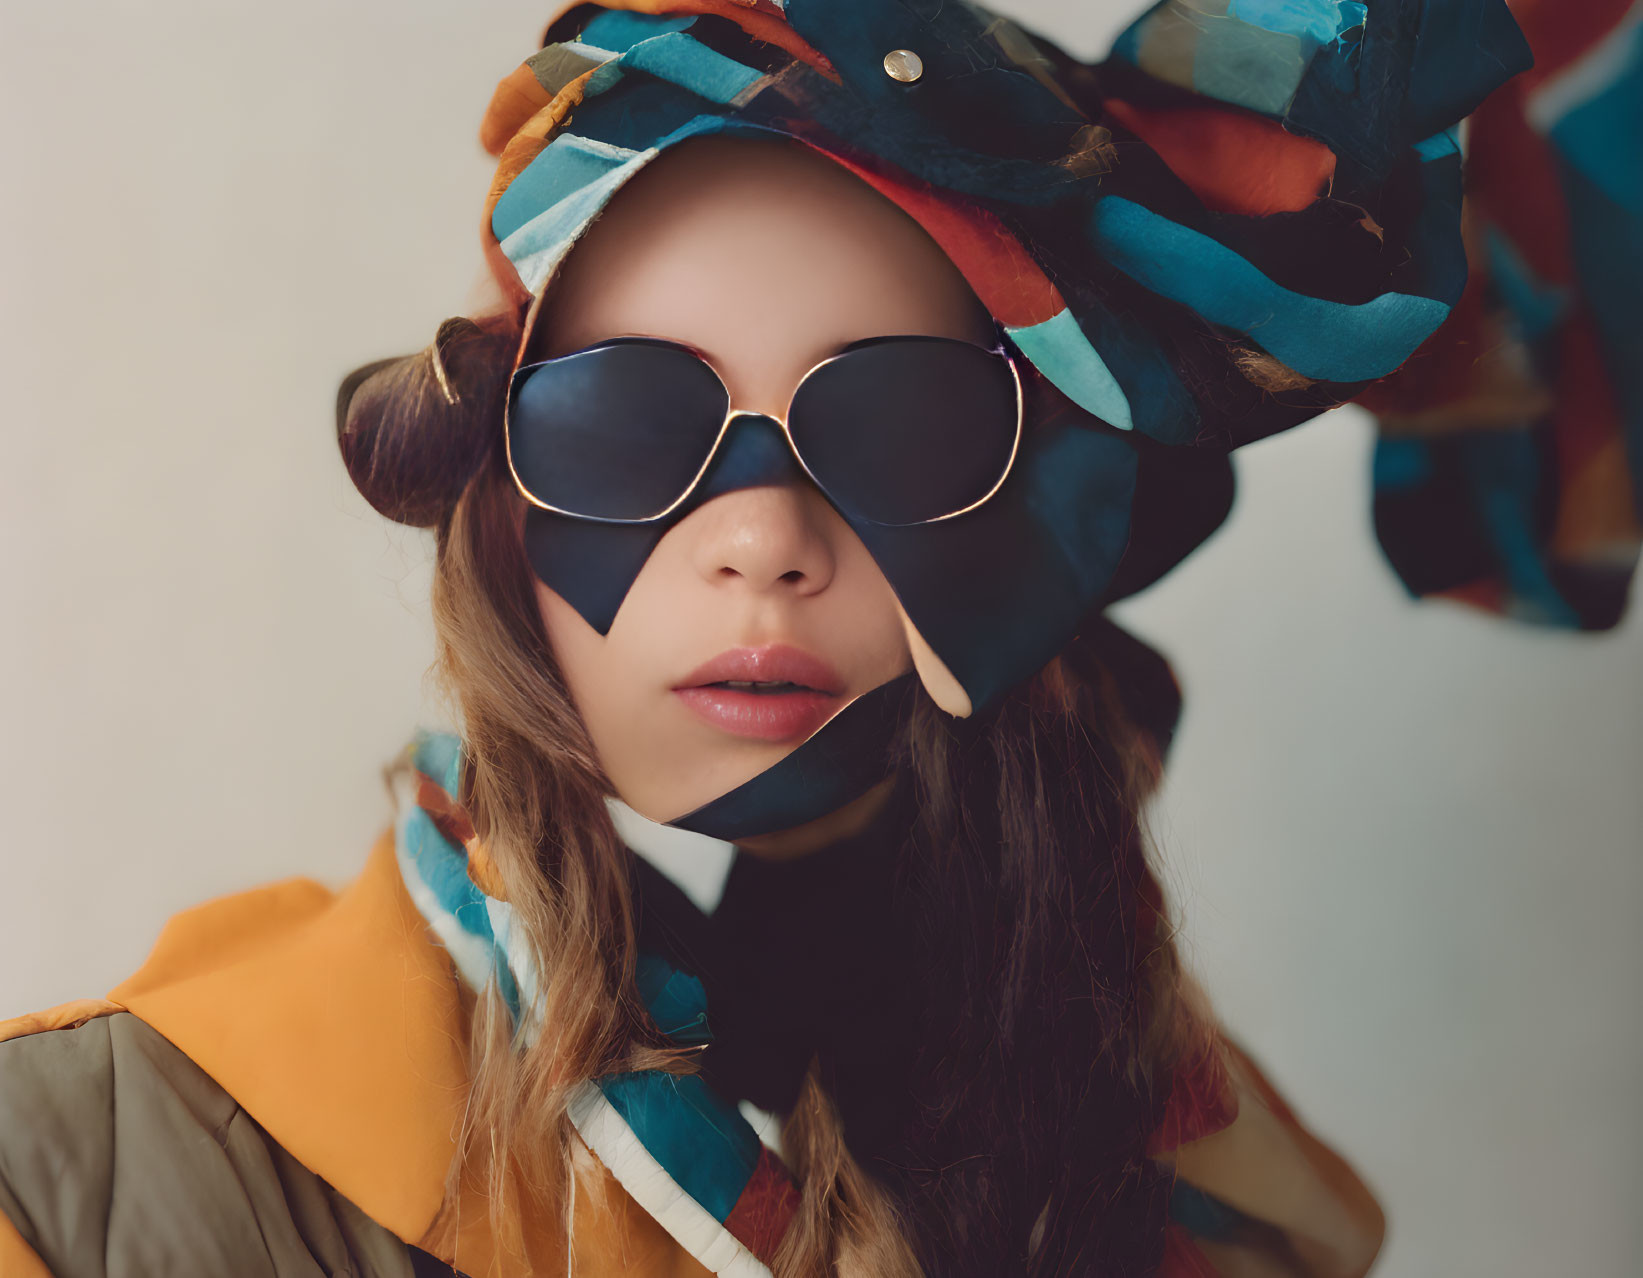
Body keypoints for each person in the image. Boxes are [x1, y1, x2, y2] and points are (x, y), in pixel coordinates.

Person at [4, 0, 1607, 1275]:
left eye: (900, 424)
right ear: (492, 490)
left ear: (1024, 527)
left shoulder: (1166, 1176)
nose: (764, 539)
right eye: (631, 421)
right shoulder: (90, 1170)